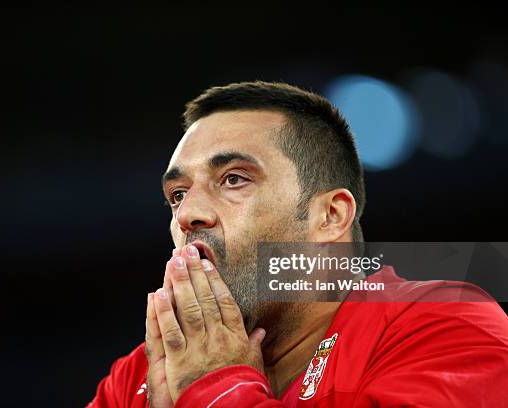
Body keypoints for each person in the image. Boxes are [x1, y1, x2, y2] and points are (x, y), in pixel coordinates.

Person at [87, 81, 508, 407]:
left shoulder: (446, 327)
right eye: (177, 194)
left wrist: (216, 390)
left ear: (330, 216)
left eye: (234, 179)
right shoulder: (138, 376)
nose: (186, 214)